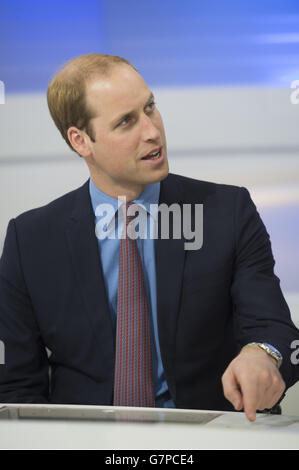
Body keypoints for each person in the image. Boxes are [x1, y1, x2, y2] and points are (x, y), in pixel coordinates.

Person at [0, 53, 298, 422]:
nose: (152, 131)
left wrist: (262, 353)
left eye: (150, 107)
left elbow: (275, 329)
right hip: (86, 439)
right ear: (81, 141)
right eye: (126, 121)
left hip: (210, 433)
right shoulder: (29, 240)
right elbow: (16, 385)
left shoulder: (226, 212)